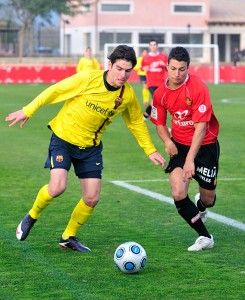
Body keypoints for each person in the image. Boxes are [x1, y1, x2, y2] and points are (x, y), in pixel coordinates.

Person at [5, 45, 166, 253]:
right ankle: (32, 216)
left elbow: (136, 122)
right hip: (63, 138)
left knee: (91, 198)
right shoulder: (88, 78)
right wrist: (28, 110)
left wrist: (150, 149)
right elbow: (56, 91)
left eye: (128, 71)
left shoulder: (127, 96)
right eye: (119, 69)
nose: (123, 75)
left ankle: (67, 237)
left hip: (90, 148)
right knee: (57, 187)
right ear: (109, 65)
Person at [150, 46, 220, 251]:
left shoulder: (198, 87)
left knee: (209, 199)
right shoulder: (161, 94)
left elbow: (201, 127)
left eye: (182, 69)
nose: (177, 74)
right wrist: (168, 142)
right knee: (179, 192)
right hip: (179, 145)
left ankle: (202, 206)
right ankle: (205, 237)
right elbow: (159, 123)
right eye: (173, 69)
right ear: (167, 67)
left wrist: (190, 159)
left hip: (205, 146)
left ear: (188, 68)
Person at [141, 40, 168, 119]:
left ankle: (145, 115)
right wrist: (144, 68)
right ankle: (155, 117)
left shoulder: (163, 57)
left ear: (157, 46)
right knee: (156, 98)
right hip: (151, 83)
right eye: (151, 45)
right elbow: (142, 68)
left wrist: (164, 65)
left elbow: (169, 68)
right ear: (149, 47)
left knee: (157, 100)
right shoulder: (146, 57)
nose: (153, 47)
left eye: (154, 45)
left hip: (161, 83)